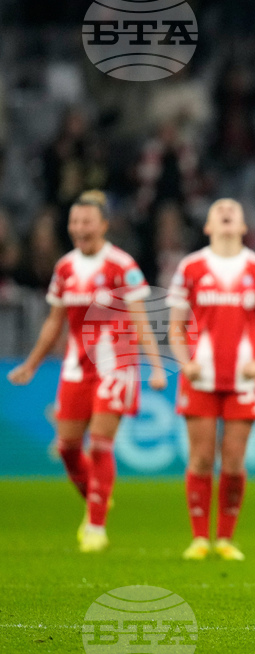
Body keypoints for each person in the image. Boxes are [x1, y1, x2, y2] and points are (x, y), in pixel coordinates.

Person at [7, 190, 166, 553]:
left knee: (100, 443)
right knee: (66, 447)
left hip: (117, 364)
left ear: (104, 225)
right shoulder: (65, 267)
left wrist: (155, 367)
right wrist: (31, 364)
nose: (79, 228)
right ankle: (98, 496)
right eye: (75, 222)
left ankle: (95, 526)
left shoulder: (121, 265)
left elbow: (141, 319)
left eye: (87, 222)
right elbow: (54, 322)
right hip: (77, 366)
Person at [167, 199, 255, 561]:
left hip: (244, 379)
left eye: (234, 210)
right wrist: (185, 363)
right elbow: (174, 325)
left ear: (244, 226)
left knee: (233, 461)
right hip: (200, 377)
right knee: (201, 458)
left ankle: (226, 539)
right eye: (219, 210)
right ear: (208, 226)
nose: (227, 212)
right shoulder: (190, 267)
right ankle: (200, 538)